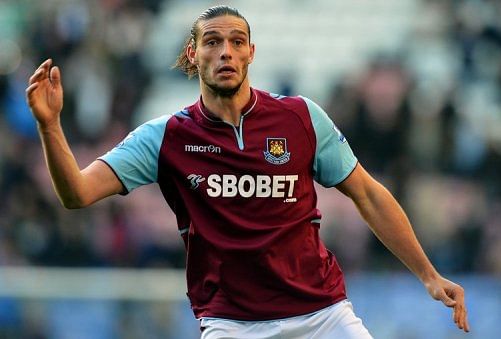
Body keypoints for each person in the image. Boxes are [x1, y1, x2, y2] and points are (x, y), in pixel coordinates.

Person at [26, 5, 469, 339]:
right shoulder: (165, 136)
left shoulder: (300, 118)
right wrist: (49, 126)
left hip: (322, 314)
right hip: (231, 324)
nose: (226, 52)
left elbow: (369, 195)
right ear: (192, 53)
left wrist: (429, 274)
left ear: (251, 53)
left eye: (237, 42)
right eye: (213, 42)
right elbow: (77, 194)